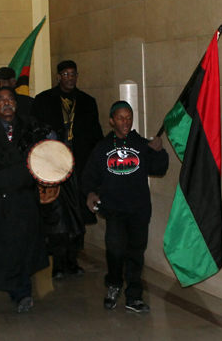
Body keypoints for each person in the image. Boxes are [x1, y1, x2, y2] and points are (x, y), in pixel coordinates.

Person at [82, 100, 169, 313]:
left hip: (138, 210)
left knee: (135, 254)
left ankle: (134, 297)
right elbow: (89, 177)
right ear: (111, 121)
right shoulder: (102, 147)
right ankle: (113, 284)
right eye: (120, 118)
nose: (125, 122)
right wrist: (91, 194)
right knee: (115, 250)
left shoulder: (141, 145)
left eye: (128, 118)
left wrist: (158, 151)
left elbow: (158, 169)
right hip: (114, 210)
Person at [0, 86, 49, 313]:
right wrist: (21, 147)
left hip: (26, 197)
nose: (7, 103)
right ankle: (17, 289)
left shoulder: (29, 126)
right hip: (1, 201)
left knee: (26, 246)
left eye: (10, 99)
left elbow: (44, 155)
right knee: (7, 248)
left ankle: (22, 291)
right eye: (1, 100)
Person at [31, 60, 104, 279]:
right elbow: (34, 131)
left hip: (79, 167)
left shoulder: (87, 102)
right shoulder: (44, 100)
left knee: (78, 218)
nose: (70, 78)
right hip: (53, 168)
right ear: (58, 76)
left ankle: (72, 260)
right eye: (65, 74)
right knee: (57, 217)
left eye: (73, 74)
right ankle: (59, 264)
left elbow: (95, 135)